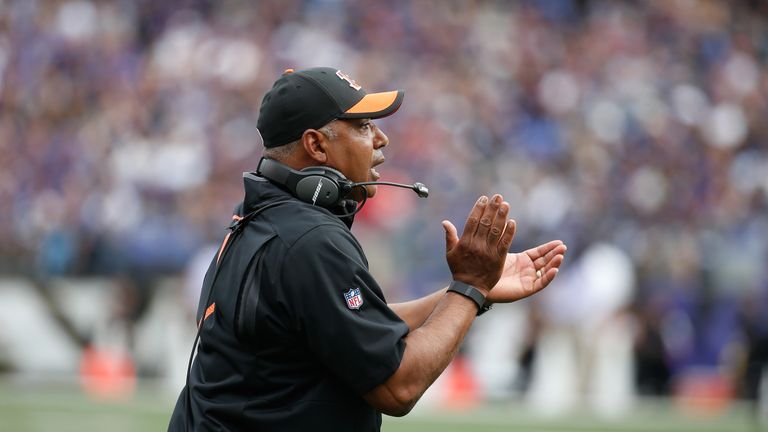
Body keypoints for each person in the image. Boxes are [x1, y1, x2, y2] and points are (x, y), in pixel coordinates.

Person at [168, 67, 567, 431]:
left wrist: (469, 294)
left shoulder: (261, 218)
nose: (381, 138)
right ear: (316, 145)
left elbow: (349, 326)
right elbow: (397, 387)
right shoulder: (310, 241)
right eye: (362, 126)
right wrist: (470, 287)